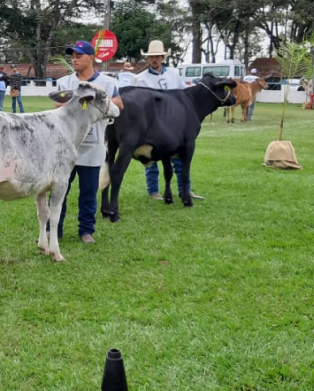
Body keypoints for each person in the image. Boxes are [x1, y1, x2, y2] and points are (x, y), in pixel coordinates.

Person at [52, 40, 120, 244]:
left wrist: (96, 102)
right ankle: (53, 229)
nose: (74, 59)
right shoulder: (65, 82)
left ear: (91, 58)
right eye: (72, 56)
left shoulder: (107, 83)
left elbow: (118, 103)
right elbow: (57, 104)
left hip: (93, 145)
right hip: (65, 146)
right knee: (58, 190)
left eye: (79, 56)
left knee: (89, 191)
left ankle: (86, 230)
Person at [133, 40, 203, 201]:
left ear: (163, 57)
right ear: (148, 59)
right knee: (151, 160)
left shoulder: (174, 74)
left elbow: (184, 95)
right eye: (152, 57)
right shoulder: (140, 79)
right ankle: (153, 191)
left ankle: (185, 189)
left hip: (173, 123)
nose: (155, 59)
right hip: (152, 124)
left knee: (180, 158)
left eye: (157, 56)